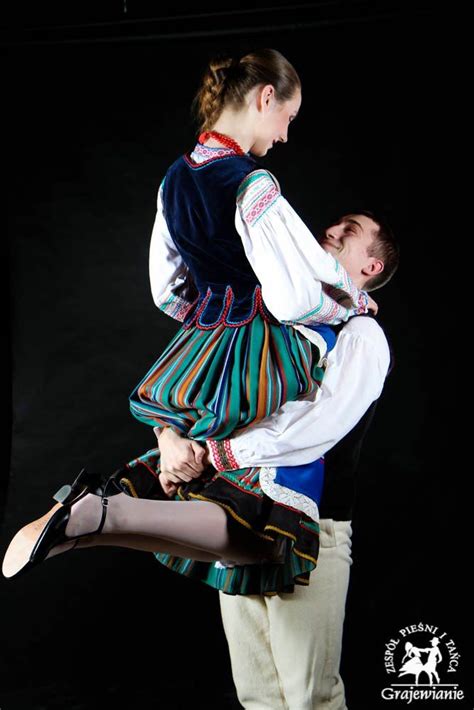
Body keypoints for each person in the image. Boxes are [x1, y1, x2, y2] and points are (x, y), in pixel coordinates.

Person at [2, 48, 377, 587]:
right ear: (265, 98)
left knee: (198, 479)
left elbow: (166, 290)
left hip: (203, 342)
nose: (285, 136)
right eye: (287, 119)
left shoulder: (174, 179)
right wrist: (348, 302)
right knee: (251, 497)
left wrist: (208, 318)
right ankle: (102, 515)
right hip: (259, 343)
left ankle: (99, 515)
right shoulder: (254, 182)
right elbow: (295, 297)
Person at [154, 210, 398, 709]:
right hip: (239, 512)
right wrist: (168, 435)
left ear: (370, 267)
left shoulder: (362, 335)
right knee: (258, 695)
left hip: (312, 528)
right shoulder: (269, 314)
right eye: (331, 226)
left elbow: (321, 425)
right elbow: (204, 382)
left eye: (348, 233)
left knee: (310, 697)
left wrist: (217, 453)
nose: (329, 231)